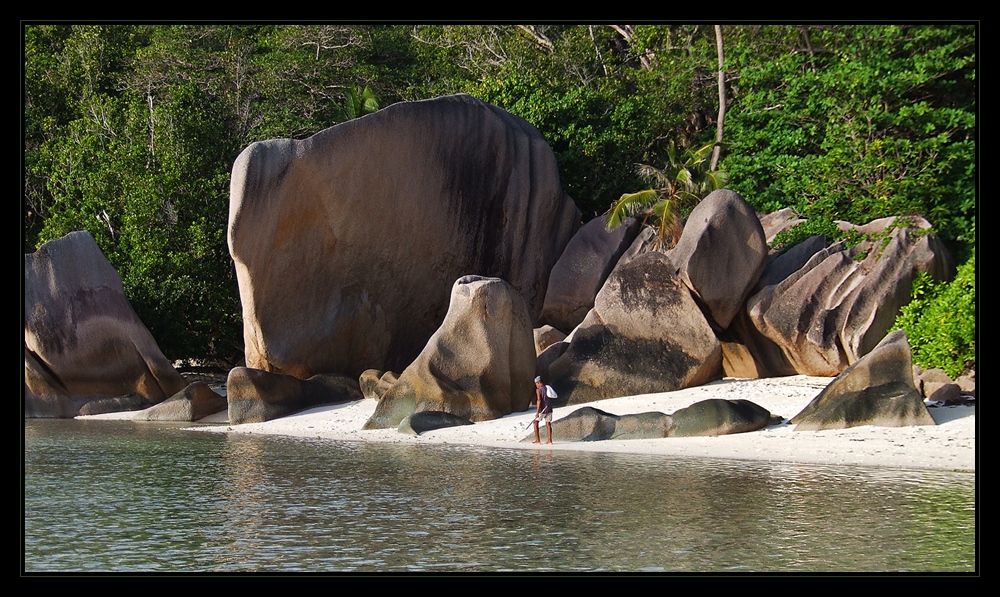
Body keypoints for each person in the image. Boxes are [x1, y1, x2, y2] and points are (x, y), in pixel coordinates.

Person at [532, 375, 553, 444]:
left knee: (535, 422)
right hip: (549, 408)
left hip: (543, 409)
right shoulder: (548, 388)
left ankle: (538, 440)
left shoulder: (538, 390)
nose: (536, 385)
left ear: (538, 383)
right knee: (548, 423)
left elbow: (539, 400)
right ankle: (550, 440)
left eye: (536, 384)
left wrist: (537, 412)